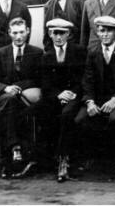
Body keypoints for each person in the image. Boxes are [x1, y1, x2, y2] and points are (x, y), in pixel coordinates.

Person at [0, 17, 43, 179]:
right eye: (15, 33)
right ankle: (16, 149)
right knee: (9, 101)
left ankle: (12, 153)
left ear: (28, 32)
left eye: (22, 32)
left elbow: (40, 80)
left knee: (13, 106)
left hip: (26, 99)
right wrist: (7, 88)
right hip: (5, 98)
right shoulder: (0, 53)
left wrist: (20, 89)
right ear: (9, 33)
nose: (18, 37)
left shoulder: (36, 52)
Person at [75, 16, 115, 174]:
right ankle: (90, 158)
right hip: (97, 99)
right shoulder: (93, 52)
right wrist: (90, 102)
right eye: (101, 31)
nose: (104, 34)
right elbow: (87, 80)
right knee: (81, 119)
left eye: (109, 31)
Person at [39, 18, 86, 183]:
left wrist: (72, 93)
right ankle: (40, 158)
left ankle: (63, 160)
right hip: (57, 96)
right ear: (50, 35)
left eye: (62, 33)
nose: (58, 37)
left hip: (75, 96)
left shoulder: (79, 51)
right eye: (54, 33)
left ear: (69, 34)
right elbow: (45, 85)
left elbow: (84, 79)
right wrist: (59, 94)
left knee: (67, 115)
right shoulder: (47, 56)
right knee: (40, 112)